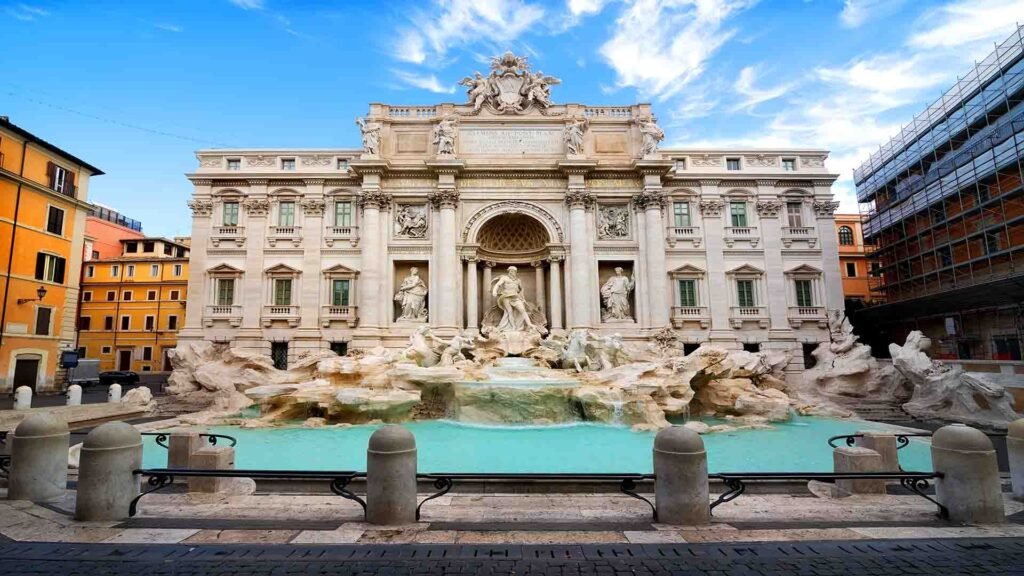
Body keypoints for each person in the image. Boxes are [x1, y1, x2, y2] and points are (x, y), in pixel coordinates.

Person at [490, 266, 539, 333]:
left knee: (522, 310)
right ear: (508, 272)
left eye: (513, 271)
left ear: (515, 272)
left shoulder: (518, 281)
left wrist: (523, 298)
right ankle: (513, 327)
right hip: (506, 296)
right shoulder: (504, 278)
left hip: (515, 297)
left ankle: (529, 324)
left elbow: (521, 290)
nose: (512, 272)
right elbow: (498, 285)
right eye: (510, 271)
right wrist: (494, 291)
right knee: (509, 311)